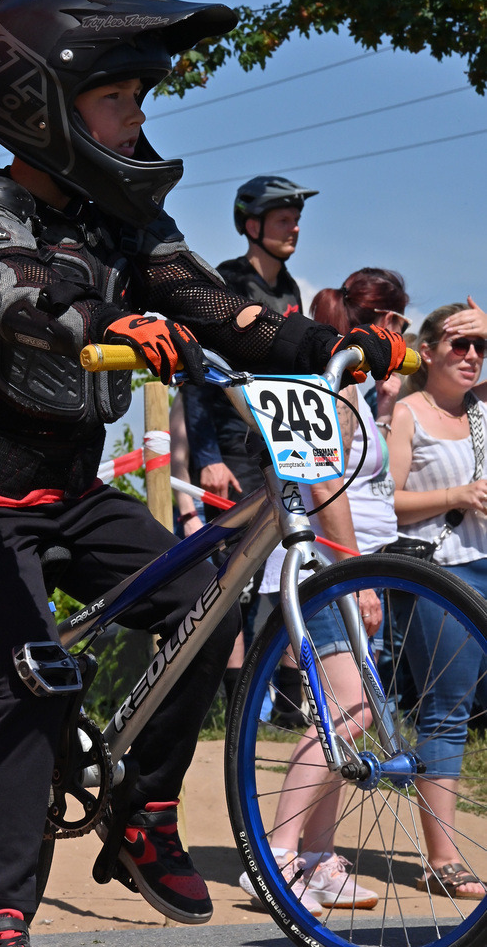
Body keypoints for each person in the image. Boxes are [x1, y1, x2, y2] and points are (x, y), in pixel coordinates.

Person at [0, 0, 406, 947]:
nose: (138, 118)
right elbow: (2, 290)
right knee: (38, 676)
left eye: (141, 99)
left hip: (71, 495)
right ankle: (0, 907)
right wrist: (100, 320)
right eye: (118, 98)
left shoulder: (124, 225)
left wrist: (343, 345)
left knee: (202, 600)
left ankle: (144, 807)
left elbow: (220, 310)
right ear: (44, 106)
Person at [239, 267, 409, 914]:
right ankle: (278, 857)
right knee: (350, 711)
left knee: (341, 718)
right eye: (391, 321)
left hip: (347, 566)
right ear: (361, 323)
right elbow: (322, 488)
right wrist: (350, 576)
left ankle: (318, 857)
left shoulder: (353, 394)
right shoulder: (323, 389)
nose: (398, 335)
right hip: (322, 572)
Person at [181, 176, 317, 716]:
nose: (295, 228)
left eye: (296, 219)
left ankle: (287, 700)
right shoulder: (227, 281)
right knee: (231, 574)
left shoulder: (291, 291)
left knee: (292, 562)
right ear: (253, 225)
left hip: (280, 445)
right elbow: (197, 377)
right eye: (284, 219)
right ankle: (229, 703)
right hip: (231, 447)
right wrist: (207, 458)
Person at [388, 302, 487, 900]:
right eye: (457, 344)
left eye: (481, 346)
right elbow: (387, 500)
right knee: (445, 712)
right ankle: (442, 857)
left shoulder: (484, 409)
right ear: (426, 353)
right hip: (441, 575)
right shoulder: (408, 411)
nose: (471, 356)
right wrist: (458, 493)